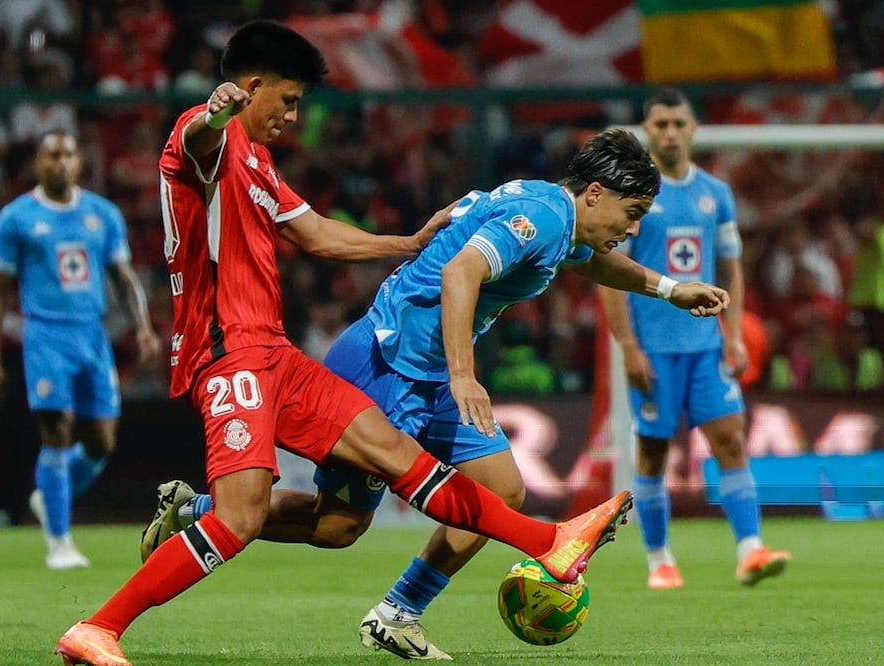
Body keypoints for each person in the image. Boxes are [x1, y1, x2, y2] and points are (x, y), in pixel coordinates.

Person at [50, 21, 706, 666]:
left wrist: (408, 242)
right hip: (234, 353)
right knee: (245, 519)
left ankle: (539, 547)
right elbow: (198, 136)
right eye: (288, 100)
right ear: (250, 87)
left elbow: (316, 234)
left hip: (275, 350)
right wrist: (215, 112)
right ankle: (99, 626)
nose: (293, 116)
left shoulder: (259, 164)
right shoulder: (208, 138)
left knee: (382, 482)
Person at [136, 129, 733, 661]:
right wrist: (464, 374)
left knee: (502, 489)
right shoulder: (543, 216)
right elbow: (460, 271)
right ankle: (199, 512)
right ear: (597, 193)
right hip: (386, 365)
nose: (634, 229)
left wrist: (669, 288)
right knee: (336, 527)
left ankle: (398, 614)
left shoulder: (561, 218)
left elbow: (593, 262)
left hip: (430, 374)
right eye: (633, 213)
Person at [597, 88, 791, 590]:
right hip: (654, 348)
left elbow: (731, 267)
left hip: (706, 346)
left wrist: (735, 334)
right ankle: (659, 559)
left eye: (678, 124)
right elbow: (609, 274)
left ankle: (750, 550)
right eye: (660, 124)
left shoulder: (716, 193)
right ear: (647, 130)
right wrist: (628, 346)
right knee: (654, 454)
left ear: (694, 129)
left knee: (731, 440)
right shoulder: (633, 196)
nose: (670, 133)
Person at [0, 131, 161, 570]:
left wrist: (143, 327)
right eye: (51, 155)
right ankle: (59, 541)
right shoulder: (17, 218)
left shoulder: (103, 214)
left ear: (80, 161)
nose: (60, 162)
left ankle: (49, 496)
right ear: (37, 164)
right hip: (45, 335)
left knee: (101, 441)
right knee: (57, 428)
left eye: (68, 154)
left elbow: (123, 276)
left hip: (92, 336)